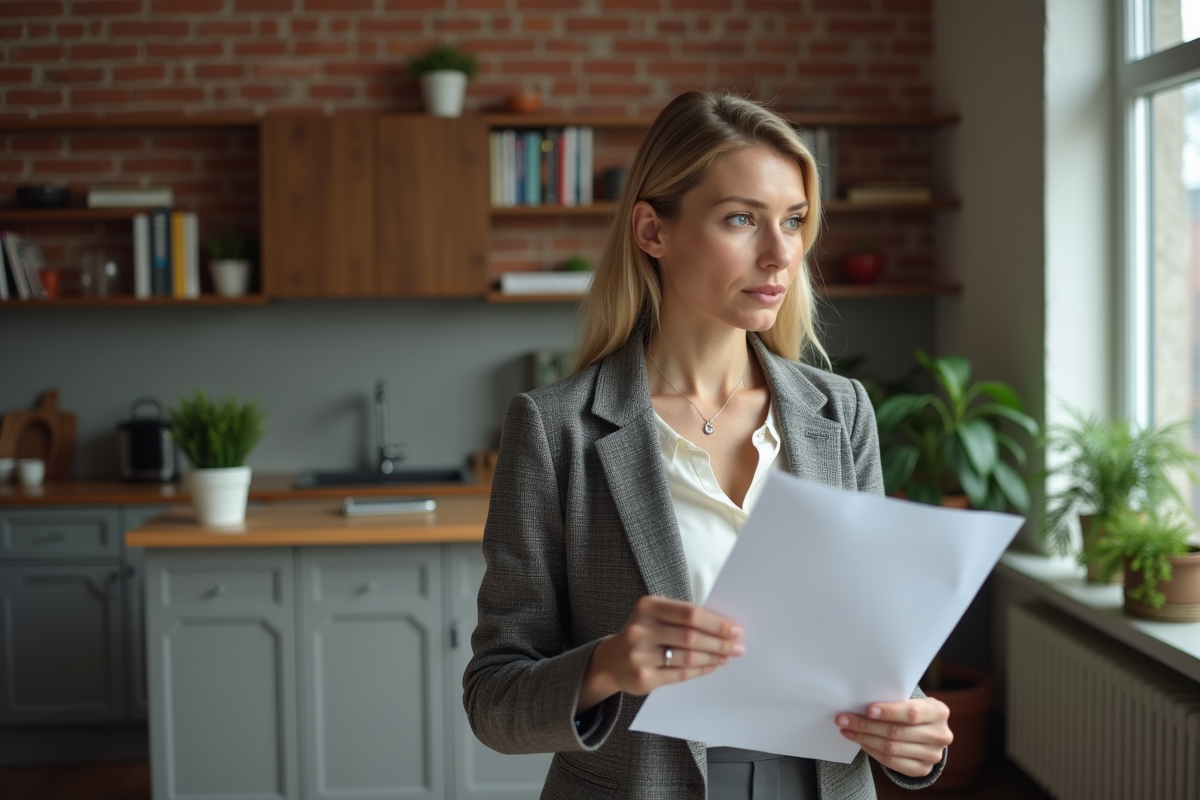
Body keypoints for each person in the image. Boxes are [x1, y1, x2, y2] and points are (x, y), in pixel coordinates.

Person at [464, 90, 952, 800]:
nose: (781, 254)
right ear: (652, 232)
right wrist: (606, 665)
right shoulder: (555, 429)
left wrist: (911, 737)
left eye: (793, 221)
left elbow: (874, 662)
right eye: (741, 220)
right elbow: (493, 703)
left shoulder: (840, 414)